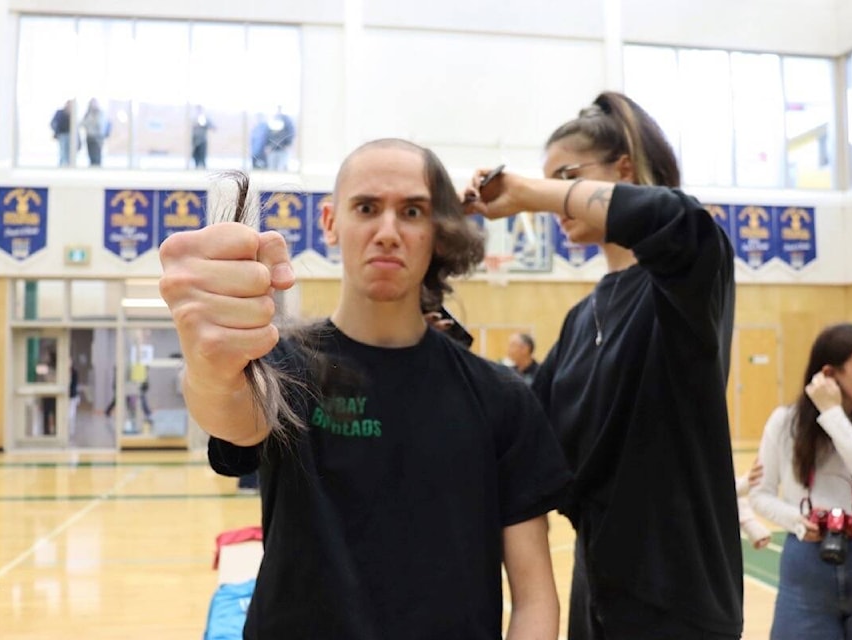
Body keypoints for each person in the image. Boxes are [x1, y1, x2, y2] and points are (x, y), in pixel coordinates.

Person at [159, 138, 573, 639]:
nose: (388, 232)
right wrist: (207, 356)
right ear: (331, 223)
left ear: (437, 232)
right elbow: (227, 409)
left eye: (413, 211)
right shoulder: (281, 369)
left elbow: (534, 599)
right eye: (367, 208)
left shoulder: (502, 398)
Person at [466, 91, 742, 640]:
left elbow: (675, 217)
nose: (556, 201)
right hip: (598, 599)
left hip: (679, 602)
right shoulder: (579, 318)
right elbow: (525, 434)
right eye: (552, 182)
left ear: (623, 170)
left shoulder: (686, 276)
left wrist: (527, 191)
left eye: (566, 178)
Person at [750, 323, 852, 640]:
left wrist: (832, 413)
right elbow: (760, 494)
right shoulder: (784, 422)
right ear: (830, 373)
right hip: (806, 560)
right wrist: (796, 521)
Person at [264, 106, 295, 171]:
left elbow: (290, 133)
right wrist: (268, 146)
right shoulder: (271, 120)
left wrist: (288, 144)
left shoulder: (287, 121)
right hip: (272, 151)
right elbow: (267, 135)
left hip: (283, 150)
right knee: (272, 169)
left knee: (281, 169)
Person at [80, 98, 109, 167]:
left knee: (97, 155)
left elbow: (99, 124)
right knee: (91, 155)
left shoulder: (100, 113)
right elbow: (82, 123)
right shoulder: (87, 113)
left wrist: (91, 121)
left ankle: (97, 168)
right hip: (89, 137)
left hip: (98, 137)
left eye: (94, 103)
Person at [50, 101, 74, 167]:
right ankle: (62, 165)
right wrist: (56, 130)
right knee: (63, 151)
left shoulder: (73, 113)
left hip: (71, 136)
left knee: (70, 152)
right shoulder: (60, 112)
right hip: (62, 135)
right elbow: (53, 123)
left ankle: (69, 165)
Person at [191, 105, 214, 169]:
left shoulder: (205, 118)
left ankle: (203, 166)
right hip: (194, 139)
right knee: (195, 154)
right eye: (197, 110)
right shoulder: (193, 118)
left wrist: (205, 124)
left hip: (202, 140)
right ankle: (196, 166)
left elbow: (212, 126)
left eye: (200, 110)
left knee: (202, 154)